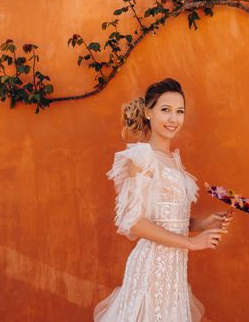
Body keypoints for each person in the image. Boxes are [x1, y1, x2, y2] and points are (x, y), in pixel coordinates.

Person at [93, 78, 234, 321]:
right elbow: (135, 222)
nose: (173, 119)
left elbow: (165, 218)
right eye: (165, 110)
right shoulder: (141, 158)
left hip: (174, 275)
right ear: (148, 112)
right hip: (150, 272)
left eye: (180, 112)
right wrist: (191, 243)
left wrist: (201, 224)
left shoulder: (173, 161)